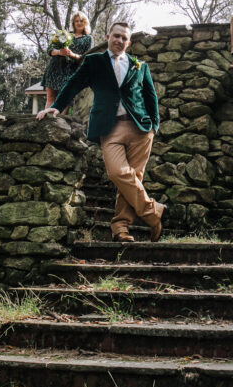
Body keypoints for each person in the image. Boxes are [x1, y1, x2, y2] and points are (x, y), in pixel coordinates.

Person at [37, 22, 165, 243]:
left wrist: (154, 125)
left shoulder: (139, 65)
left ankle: (120, 228)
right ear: (108, 36)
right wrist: (56, 106)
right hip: (110, 127)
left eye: (124, 38)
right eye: (116, 36)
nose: (119, 41)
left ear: (129, 42)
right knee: (118, 173)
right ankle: (153, 212)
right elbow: (73, 83)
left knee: (133, 179)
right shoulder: (94, 61)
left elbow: (150, 96)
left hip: (141, 128)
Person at [41, 12, 93, 111]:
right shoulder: (64, 35)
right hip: (54, 68)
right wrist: (59, 52)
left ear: (85, 22)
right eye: (76, 21)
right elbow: (50, 50)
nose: (79, 23)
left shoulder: (88, 39)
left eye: (81, 21)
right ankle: (47, 120)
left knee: (64, 99)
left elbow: (87, 58)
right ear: (73, 23)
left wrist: (72, 55)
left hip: (70, 71)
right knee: (50, 97)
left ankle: (58, 122)